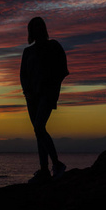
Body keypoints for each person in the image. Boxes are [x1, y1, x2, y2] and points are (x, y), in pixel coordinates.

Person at [20, 17, 69, 184]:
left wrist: (50, 85)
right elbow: (23, 74)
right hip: (31, 96)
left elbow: (63, 70)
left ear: (44, 28)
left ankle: (57, 164)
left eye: (40, 26)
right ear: (31, 31)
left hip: (47, 94)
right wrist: (27, 92)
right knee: (38, 131)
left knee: (39, 127)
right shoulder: (28, 52)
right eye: (34, 27)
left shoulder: (53, 46)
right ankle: (43, 170)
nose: (38, 29)